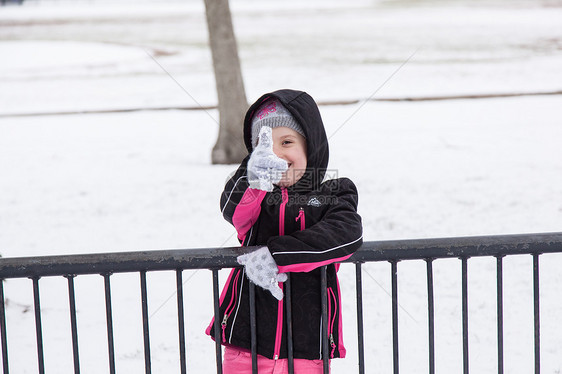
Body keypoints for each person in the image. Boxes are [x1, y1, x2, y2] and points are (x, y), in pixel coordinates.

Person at [206, 89, 363, 373]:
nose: (276, 155)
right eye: (264, 147)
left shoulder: (335, 193)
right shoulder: (256, 197)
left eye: (287, 142)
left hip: (307, 347)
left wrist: (276, 255)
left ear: (311, 146)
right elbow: (231, 209)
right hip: (246, 344)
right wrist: (250, 177)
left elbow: (346, 233)